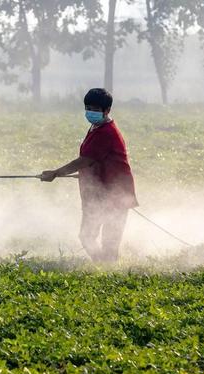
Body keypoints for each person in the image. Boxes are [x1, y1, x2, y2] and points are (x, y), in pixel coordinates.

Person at [41, 88, 138, 262]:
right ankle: (102, 265)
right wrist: (86, 175)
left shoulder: (106, 132)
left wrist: (55, 173)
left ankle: (107, 269)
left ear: (107, 110)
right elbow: (97, 160)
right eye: (88, 108)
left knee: (109, 242)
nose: (90, 112)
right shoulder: (96, 127)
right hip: (100, 191)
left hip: (115, 193)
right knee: (87, 236)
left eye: (95, 109)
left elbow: (84, 160)